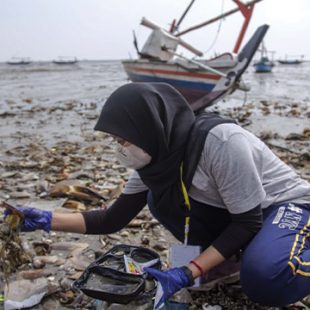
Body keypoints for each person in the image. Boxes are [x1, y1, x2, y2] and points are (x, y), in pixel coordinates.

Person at [7, 83, 310, 308]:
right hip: (244, 216)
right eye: (115, 141)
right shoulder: (156, 158)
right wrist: (45, 220)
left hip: (286, 206)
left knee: (265, 281)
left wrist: (187, 271)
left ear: (148, 127)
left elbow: (247, 223)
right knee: (159, 200)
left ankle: (266, 258)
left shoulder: (221, 142)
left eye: (123, 139)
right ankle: (228, 261)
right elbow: (112, 218)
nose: (119, 148)